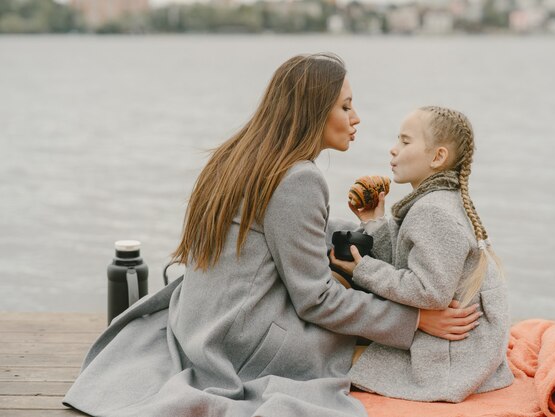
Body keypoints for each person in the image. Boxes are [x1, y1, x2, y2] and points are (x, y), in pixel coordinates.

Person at [63, 55, 480, 417]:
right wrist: (417, 320)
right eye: (346, 106)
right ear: (313, 110)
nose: (356, 119)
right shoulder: (299, 178)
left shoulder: (241, 154)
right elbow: (314, 300)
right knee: (369, 331)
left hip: (201, 321)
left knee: (351, 286)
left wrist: (362, 231)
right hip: (242, 342)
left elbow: (283, 232)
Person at [331, 106, 514, 403]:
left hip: (453, 357)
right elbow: (407, 258)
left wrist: (362, 270)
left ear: (437, 157)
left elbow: (429, 293)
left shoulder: (432, 211)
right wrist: (374, 223)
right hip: (470, 347)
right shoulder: (436, 201)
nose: (393, 150)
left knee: (330, 361)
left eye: (405, 142)